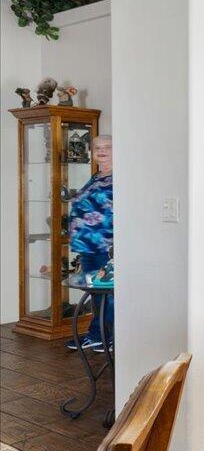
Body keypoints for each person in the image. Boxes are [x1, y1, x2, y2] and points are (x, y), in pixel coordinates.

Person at [67, 135, 113, 353]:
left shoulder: (121, 176)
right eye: (97, 148)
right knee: (96, 293)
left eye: (107, 147)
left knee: (107, 295)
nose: (102, 151)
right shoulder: (97, 177)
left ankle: (109, 338)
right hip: (88, 246)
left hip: (106, 246)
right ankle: (97, 335)